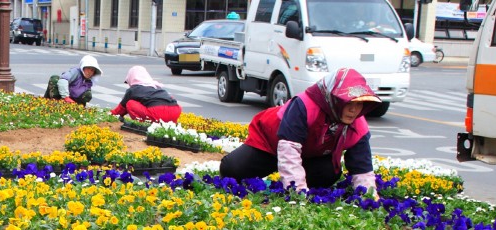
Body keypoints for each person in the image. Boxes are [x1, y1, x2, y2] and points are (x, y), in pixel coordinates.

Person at [219, 68, 379, 198]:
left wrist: (369, 197)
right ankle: (285, 179)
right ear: (334, 99)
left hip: (308, 155)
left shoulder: (357, 123)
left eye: (359, 104)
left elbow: (362, 166)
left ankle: (290, 181)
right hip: (270, 145)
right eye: (349, 102)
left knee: (329, 174)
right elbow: (288, 150)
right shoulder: (304, 106)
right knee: (232, 169)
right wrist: (298, 193)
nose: (354, 110)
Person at [110, 66, 181, 124]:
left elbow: (120, 109)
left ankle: (143, 124)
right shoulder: (156, 86)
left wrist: (110, 115)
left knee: (130, 103)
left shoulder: (133, 90)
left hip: (157, 112)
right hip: (175, 111)